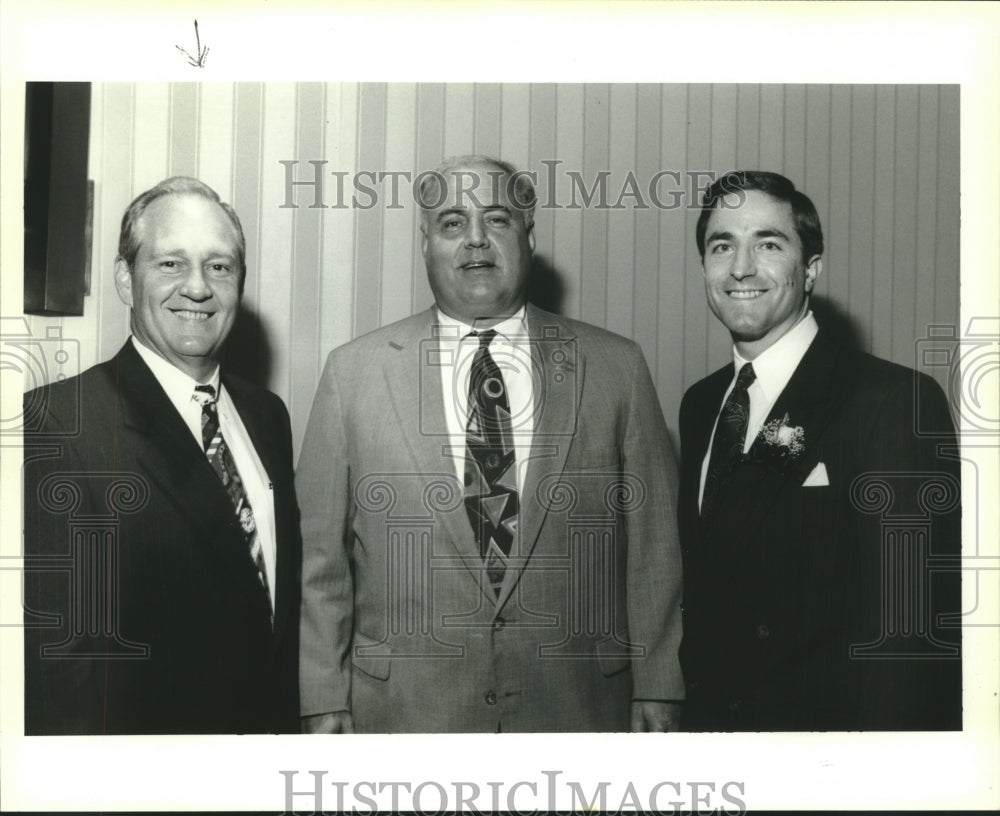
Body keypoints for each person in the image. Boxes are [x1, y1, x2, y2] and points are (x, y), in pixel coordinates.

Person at [297, 156, 683, 733]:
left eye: (497, 219)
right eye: (452, 223)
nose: (475, 240)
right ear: (424, 242)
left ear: (529, 236)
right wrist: (323, 699)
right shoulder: (352, 374)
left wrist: (660, 687)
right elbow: (321, 563)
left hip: (575, 714)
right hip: (405, 718)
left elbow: (655, 550)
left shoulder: (616, 367)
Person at [678, 170, 961, 731]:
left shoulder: (891, 400)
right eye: (722, 246)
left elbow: (909, 635)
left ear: (811, 270)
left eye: (768, 244)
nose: (741, 267)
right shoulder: (702, 403)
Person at [22, 177, 301, 734]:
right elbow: (59, 668)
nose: (198, 288)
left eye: (219, 266)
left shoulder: (268, 416)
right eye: (171, 264)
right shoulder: (58, 425)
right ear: (126, 279)